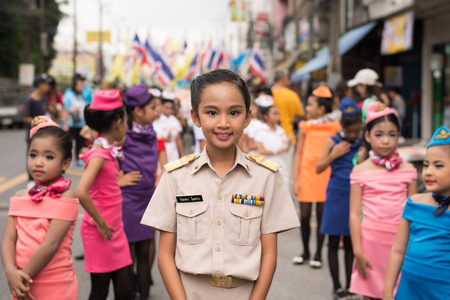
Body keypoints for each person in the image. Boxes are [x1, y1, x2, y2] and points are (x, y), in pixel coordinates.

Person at [140, 69, 300, 300]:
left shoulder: (266, 177)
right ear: (196, 117)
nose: (223, 123)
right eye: (212, 112)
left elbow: (269, 255)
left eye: (234, 112)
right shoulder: (176, 176)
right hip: (188, 293)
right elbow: (165, 254)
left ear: (247, 117)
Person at [1, 116, 78, 299]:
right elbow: (8, 240)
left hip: (54, 284)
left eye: (49, 156)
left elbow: (50, 245)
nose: (38, 162)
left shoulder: (66, 196)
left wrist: (21, 279)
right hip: (20, 282)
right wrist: (11, 272)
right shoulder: (20, 196)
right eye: (33, 154)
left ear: (66, 163)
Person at [349, 101, 417, 299]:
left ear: (399, 135)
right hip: (370, 243)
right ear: (368, 136)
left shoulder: (409, 170)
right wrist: (358, 251)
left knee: (400, 292)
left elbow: (414, 212)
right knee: (369, 293)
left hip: (401, 242)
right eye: (379, 134)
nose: (386, 141)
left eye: (392, 134)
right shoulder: (359, 171)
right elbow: (354, 214)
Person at [76, 90, 132, 300]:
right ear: (119, 123)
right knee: (100, 291)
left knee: (125, 291)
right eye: (126, 120)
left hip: (115, 229)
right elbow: (81, 191)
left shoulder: (106, 149)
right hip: (101, 231)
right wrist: (100, 222)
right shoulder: (99, 155)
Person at [383, 126, 450, 300]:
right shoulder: (414, 203)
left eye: (438, 166)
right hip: (408, 291)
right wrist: (387, 293)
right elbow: (398, 250)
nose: (428, 171)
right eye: (426, 165)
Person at [316, 98, 362, 299]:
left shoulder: (362, 143)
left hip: (356, 196)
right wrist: (334, 154)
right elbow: (319, 168)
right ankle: (337, 287)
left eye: (356, 131)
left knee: (352, 243)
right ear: (342, 126)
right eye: (350, 131)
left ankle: (351, 286)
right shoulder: (332, 141)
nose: (353, 135)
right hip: (335, 195)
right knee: (333, 242)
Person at [292, 86, 340, 268]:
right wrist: (295, 179)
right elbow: (298, 153)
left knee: (321, 214)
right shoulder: (305, 126)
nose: (307, 109)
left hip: (325, 173)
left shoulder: (335, 127)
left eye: (310, 105)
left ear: (321, 108)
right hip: (306, 173)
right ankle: (305, 251)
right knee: (304, 215)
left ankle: (318, 254)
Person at [121, 85, 160, 300]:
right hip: (128, 199)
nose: (157, 111)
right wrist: (118, 177)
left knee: (145, 252)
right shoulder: (120, 132)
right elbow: (102, 153)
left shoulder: (152, 132)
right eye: (152, 107)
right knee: (128, 254)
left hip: (148, 197)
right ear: (137, 111)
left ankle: (144, 295)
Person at [23, 74, 52, 188]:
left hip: (43, 134)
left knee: (43, 155)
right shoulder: (30, 99)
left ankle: (41, 179)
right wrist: (38, 121)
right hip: (32, 134)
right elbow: (25, 117)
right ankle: (30, 180)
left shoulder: (44, 98)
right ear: (40, 85)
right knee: (32, 156)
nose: (48, 87)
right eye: (46, 84)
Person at [253, 95, 290, 184]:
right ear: (266, 116)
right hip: (266, 165)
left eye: (278, 114)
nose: (277, 117)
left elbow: (285, 148)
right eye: (274, 114)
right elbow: (261, 150)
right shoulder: (261, 130)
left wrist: (288, 142)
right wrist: (276, 151)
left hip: (280, 165)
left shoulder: (280, 130)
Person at [63, 73, 88, 166]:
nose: (81, 87)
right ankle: (68, 160)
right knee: (69, 143)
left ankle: (79, 159)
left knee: (80, 142)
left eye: (82, 85)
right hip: (71, 124)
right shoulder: (69, 94)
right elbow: (66, 110)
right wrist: (66, 124)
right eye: (80, 85)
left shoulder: (82, 95)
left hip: (81, 124)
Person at [153, 91, 185, 162]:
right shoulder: (153, 121)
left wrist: (182, 156)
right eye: (166, 108)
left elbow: (178, 139)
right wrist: (163, 140)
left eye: (171, 108)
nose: (169, 111)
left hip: (173, 156)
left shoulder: (173, 120)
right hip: (158, 158)